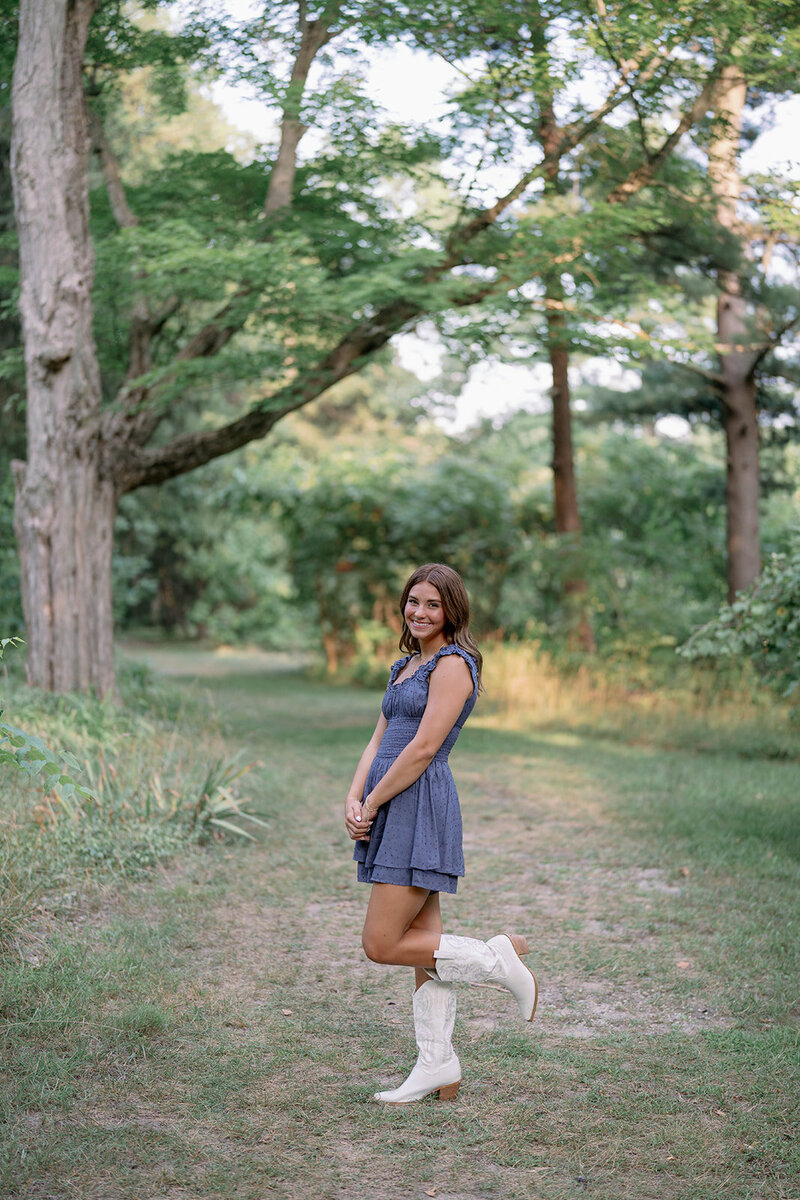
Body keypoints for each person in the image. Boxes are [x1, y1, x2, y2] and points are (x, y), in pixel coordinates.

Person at [345, 562, 538, 1105]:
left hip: (418, 805)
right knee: (421, 947)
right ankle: (438, 1065)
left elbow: (425, 748)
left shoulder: (454, 665)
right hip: (386, 803)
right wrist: (355, 795)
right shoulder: (404, 666)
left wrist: (376, 801)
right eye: (413, 601)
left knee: (382, 944)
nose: (420, 612)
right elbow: (378, 737)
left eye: (433, 604)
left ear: (453, 610)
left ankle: (496, 958)